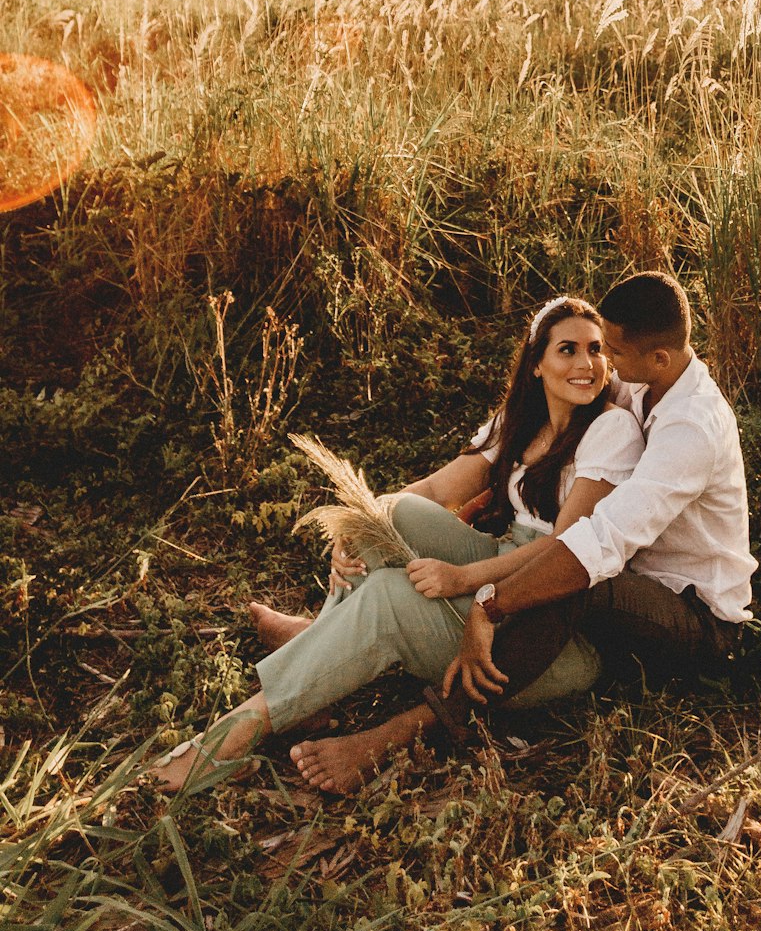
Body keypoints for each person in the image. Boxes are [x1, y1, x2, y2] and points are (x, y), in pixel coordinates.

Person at [149, 296, 644, 793]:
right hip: (504, 570)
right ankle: (318, 661)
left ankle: (234, 733)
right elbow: (430, 493)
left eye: (596, 350)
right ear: (536, 363)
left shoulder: (610, 429)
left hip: (550, 629)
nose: (587, 364)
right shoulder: (520, 426)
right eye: (568, 350)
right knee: (393, 512)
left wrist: (463, 578)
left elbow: (565, 548)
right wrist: (357, 528)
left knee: (390, 597)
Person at [440, 271, 758, 710]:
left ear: (660, 359)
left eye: (613, 351)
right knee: (569, 570)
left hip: (698, 620)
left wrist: (489, 604)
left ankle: (432, 721)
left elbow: (602, 540)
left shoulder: (693, 427)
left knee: (580, 574)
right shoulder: (644, 376)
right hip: (637, 586)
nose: (602, 360)